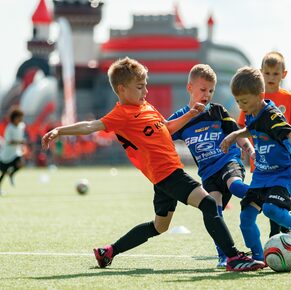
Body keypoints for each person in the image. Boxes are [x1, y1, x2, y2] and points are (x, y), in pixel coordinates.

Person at [41, 57, 265, 272]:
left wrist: (190, 115)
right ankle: (233, 257)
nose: (145, 91)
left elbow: (166, 129)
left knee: (160, 226)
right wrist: (60, 130)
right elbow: (91, 125)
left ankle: (109, 251)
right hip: (168, 174)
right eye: (140, 87)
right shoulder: (121, 114)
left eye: (145, 86)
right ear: (121, 89)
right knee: (208, 203)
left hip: (163, 178)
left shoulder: (146, 107)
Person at [221, 66, 291, 261]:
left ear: (259, 95)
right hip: (261, 175)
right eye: (238, 101)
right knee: (246, 218)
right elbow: (251, 128)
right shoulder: (252, 112)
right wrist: (234, 135)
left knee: (271, 209)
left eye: (244, 101)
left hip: (281, 173)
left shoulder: (271, 115)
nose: (241, 106)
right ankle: (257, 258)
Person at [168, 64, 255, 267]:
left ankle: (262, 199)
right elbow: (163, 131)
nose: (207, 94)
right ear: (190, 88)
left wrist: (250, 152)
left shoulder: (217, 111)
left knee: (234, 184)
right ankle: (224, 256)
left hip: (228, 161)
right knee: (214, 210)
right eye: (202, 89)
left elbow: (238, 134)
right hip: (208, 174)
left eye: (210, 90)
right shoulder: (182, 118)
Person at [237, 51, 291, 239]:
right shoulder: (254, 98)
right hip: (262, 159)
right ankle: (276, 236)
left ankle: (282, 235)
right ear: (260, 72)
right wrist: (245, 146)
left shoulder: (288, 98)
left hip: (283, 160)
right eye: (267, 73)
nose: (271, 78)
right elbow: (242, 126)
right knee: (262, 200)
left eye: (275, 74)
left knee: (278, 198)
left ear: (284, 75)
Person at [0, 107, 26, 195]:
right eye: (19, 117)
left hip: (16, 152)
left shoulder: (21, 126)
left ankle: (11, 174)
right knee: (3, 173)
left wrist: (21, 144)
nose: (21, 119)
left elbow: (21, 136)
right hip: (6, 155)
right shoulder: (9, 128)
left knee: (21, 163)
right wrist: (19, 142)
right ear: (14, 118)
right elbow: (9, 141)